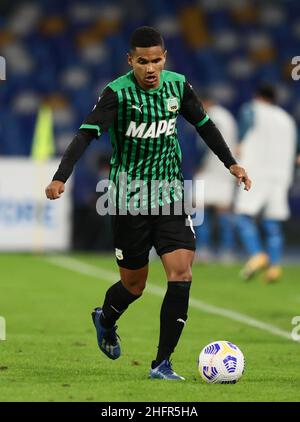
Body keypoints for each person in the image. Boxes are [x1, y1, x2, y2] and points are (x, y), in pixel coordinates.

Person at [45, 27, 251, 380]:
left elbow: (204, 125)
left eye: (156, 60)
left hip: (171, 197)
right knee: (134, 286)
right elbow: (84, 135)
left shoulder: (178, 86)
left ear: (164, 58)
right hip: (128, 201)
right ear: (131, 60)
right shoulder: (116, 94)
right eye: (143, 61)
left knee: (181, 273)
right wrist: (60, 177)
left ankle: (162, 363)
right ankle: (105, 318)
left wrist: (231, 163)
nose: (151, 68)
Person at [235, 84, 297, 282]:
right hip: (281, 175)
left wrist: (239, 145)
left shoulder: (252, 109)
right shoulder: (287, 119)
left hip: (257, 172)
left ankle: (257, 254)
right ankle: (275, 266)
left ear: (257, 96)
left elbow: (243, 131)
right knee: (272, 221)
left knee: (243, 216)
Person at [193, 94, 238, 262]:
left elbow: (209, 141)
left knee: (198, 208)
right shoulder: (228, 116)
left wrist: (200, 162)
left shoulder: (213, 116)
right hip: (225, 171)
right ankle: (227, 251)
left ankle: (204, 248)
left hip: (211, 169)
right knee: (223, 211)